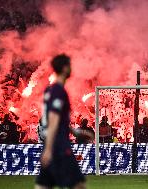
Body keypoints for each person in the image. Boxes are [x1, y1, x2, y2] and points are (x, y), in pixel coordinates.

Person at [35, 54, 94, 189]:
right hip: (59, 146)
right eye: (69, 65)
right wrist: (49, 149)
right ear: (65, 68)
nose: (71, 68)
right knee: (79, 185)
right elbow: (53, 120)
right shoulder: (59, 91)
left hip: (52, 145)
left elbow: (58, 119)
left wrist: (76, 132)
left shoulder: (49, 90)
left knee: (43, 186)